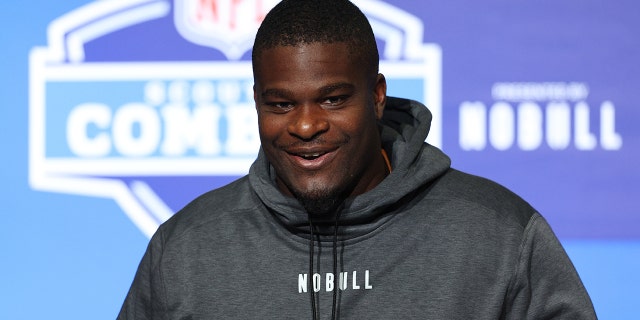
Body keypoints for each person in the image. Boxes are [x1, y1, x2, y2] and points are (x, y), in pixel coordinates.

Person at [118, 0, 597, 319]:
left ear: (377, 96)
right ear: (256, 102)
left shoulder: (499, 235)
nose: (305, 126)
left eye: (332, 100)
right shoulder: (186, 249)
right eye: (281, 104)